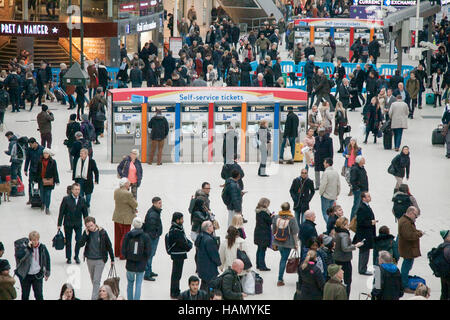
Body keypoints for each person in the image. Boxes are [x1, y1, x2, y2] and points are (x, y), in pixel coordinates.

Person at [76, 216, 114, 300]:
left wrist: (112, 259)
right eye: (88, 226)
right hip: (90, 259)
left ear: (95, 224)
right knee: (93, 280)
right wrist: (85, 235)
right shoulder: (86, 233)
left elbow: (109, 245)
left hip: (100, 259)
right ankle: (101, 295)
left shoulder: (102, 232)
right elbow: (80, 244)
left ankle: (94, 298)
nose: (90, 228)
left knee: (96, 280)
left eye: (91, 225)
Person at [121, 217, 151, 300]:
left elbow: (123, 250)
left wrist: (128, 257)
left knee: (130, 284)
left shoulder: (128, 235)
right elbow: (148, 252)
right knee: (138, 285)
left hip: (130, 264)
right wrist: (144, 259)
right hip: (141, 265)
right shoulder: (145, 236)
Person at [15, 231, 51, 300]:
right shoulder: (25, 248)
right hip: (26, 275)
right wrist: (28, 249)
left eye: (37, 239)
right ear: (30, 240)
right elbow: (20, 257)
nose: (35, 242)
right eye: (33, 240)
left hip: (37, 275)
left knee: (39, 295)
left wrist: (47, 273)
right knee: (25, 295)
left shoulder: (42, 247)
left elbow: (47, 259)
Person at [57, 182, 88, 264]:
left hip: (78, 223)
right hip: (68, 223)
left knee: (78, 240)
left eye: (78, 189)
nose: (77, 191)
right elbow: (61, 212)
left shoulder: (82, 199)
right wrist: (59, 224)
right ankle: (68, 257)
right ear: (72, 190)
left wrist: (87, 223)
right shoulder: (66, 199)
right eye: (75, 189)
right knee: (68, 241)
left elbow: (85, 213)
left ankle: (76, 256)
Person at [333, 217, 363, 298]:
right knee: (347, 281)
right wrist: (356, 245)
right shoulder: (344, 235)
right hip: (344, 260)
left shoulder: (336, 232)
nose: (349, 225)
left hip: (337, 259)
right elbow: (345, 248)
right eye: (347, 224)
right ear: (343, 225)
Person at [272, 202, 299, 287]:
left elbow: (273, 229)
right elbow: (294, 232)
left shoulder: (276, 217)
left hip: (278, 241)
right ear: (289, 208)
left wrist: (274, 240)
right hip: (288, 242)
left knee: (283, 258)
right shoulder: (292, 219)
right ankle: (280, 279)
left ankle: (280, 278)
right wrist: (296, 244)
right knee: (283, 259)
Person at [167, 212, 193, 299]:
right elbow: (181, 242)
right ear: (177, 220)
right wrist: (189, 246)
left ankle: (175, 290)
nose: (183, 220)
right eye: (181, 219)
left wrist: (189, 243)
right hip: (178, 254)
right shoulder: (176, 230)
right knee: (176, 274)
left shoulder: (178, 228)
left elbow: (184, 239)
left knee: (177, 273)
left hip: (179, 254)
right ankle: (174, 292)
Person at [398, 206, 423, 294]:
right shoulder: (406, 222)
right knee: (406, 267)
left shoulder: (406, 221)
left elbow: (410, 232)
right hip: (407, 249)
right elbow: (409, 235)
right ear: (411, 213)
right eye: (415, 216)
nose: (415, 218)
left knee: (407, 266)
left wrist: (416, 232)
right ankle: (404, 285)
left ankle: (404, 282)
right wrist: (419, 234)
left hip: (408, 248)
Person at [112, 178, 138, 260]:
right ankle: (122, 254)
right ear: (125, 184)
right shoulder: (128, 194)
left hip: (117, 216)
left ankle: (116, 252)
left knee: (117, 235)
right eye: (128, 183)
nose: (129, 185)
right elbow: (135, 204)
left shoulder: (116, 191)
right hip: (126, 218)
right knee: (125, 236)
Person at [352, 191, 376, 275]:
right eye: (368, 196)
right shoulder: (362, 208)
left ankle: (363, 267)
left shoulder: (366, 206)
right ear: (363, 198)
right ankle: (362, 269)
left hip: (366, 233)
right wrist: (370, 222)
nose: (370, 197)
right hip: (364, 234)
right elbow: (361, 222)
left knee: (365, 251)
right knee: (364, 251)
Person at [195, 221, 221, 292]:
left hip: (202, 266)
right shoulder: (209, 240)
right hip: (209, 268)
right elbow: (214, 254)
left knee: (204, 285)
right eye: (211, 225)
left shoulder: (201, 236)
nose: (213, 226)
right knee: (209, 287)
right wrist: (219, 263)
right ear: (207, 228)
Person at [143, 196, 163, 281]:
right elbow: (151, 227)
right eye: (159, 203)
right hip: (152, 237)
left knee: (151, 255)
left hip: (153, 236)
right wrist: (154, 235)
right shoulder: (153, 214)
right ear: (154, 203)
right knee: (149, 255)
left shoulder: (155, 212)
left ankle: (149, 271)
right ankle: (147, 274)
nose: (161, 205)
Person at [35, 148, 59, 215]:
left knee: (48, 194)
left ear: (49, 154)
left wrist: (57, 180)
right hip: (41, 180)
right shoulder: (40, 161)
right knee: (42, 194)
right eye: (44, 153)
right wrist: (35, 179)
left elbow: (55, 171)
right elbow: (37, 171)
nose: (45, 155)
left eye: (47, 153)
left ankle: (47, 207)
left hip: (49, 180)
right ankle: (43, 203)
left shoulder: (53, 162)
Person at [253, 198, 273, 271]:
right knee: (262, 250)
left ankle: (258, 264)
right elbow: (270, 221)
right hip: (264, 233)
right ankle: (262, 266)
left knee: (259, 249)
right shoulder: (264, 213)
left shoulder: (258, 211)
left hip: (258, 232)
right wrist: (272, 217)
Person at [319, 158, 340, 224]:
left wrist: (321, 193)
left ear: (327, 164)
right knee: (331, 213)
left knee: (325, 213)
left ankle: (330, 227)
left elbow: (323, 185)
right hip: (333, 196)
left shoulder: (326, 173)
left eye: (324, 162)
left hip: (326, 196)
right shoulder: (336, 173)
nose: (323, 163)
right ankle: (332, 226)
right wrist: (337, 194)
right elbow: (338, 184)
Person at [4, 131, 25, 196]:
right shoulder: (19, 140)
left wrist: (6, 152)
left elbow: (11, 152)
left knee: (14, 176)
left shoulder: (12, 143)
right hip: (21, 160)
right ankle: (21, 189)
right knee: (19, 174)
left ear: (10, 135)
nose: (7, 139)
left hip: (15, 160)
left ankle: (14, 191)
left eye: (7, 137)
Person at [24, 138, 44, 205]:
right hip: (32, 169)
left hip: (40, 170)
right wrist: (25, 169)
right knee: (30, 184)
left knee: (41, 184)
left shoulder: (42, 149)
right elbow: (27, 159)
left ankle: (41, 199)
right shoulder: (29, 150)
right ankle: (30, 198)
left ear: (35, 143)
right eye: (29, 145)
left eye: (31, 144)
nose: (30, 146)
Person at [349, 156, 368, 221]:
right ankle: (352, 220)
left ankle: (359, 219)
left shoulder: (362, 168)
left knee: (362, 206)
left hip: (363, 189)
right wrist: (357, 188)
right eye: (363, 159)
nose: (364, 160)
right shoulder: (355, 169)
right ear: (360, 161)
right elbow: (352, 180)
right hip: (358, 190)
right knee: (356, 206)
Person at [435, 230, 450, 300]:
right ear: (446, 237)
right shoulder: (448, 248)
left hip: (443, 274)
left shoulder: (441, 246)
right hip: (448, 274)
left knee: (444, 292)